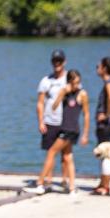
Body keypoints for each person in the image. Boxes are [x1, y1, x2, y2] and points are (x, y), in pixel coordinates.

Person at [32, 70, 89, 195]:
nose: (77, 86)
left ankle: (40, 183)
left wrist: (85, 134)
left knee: (52, 152)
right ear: (68, 82)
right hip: (65, 128)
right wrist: (62, 93)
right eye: (74, 83)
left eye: (78, 82)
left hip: (71, 130)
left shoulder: (82, 94)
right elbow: (54, 107)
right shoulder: (65, 93)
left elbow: (86, 114)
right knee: (68, 157)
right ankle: (72, 188)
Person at [25, 50, 69, 194]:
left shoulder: (70, 78)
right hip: (50, 121)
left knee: (66, 153)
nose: (57, 64)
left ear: (64, 62)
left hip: (65, 121)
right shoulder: (46, 81)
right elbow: (40, 103)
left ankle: (65, 180)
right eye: (54, 61)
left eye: (60, 61)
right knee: (50, 152)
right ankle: (48, 181)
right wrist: (40, 121)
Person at [92, 55, 110, 196]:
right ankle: (103, 182)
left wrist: (106, 114)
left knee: (104, 153)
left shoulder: (109, 82)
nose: (96, 69)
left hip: (106, 123)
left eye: (98, 66)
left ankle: (105, 186)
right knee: (104, 153)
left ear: (104, 69)